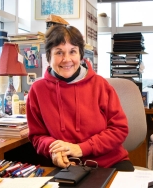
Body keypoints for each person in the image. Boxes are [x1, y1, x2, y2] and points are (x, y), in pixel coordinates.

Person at [26, 24, 134, 171]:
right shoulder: (37, 90)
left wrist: (81, 148)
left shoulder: (100, 85)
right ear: (49, 55)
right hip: (67, 167)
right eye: (59, 52)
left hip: (110, 163)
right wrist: (54, 150)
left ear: (81, 55)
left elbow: (119, 129)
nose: (66, 59)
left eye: (73, 52)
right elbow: (37, 136)